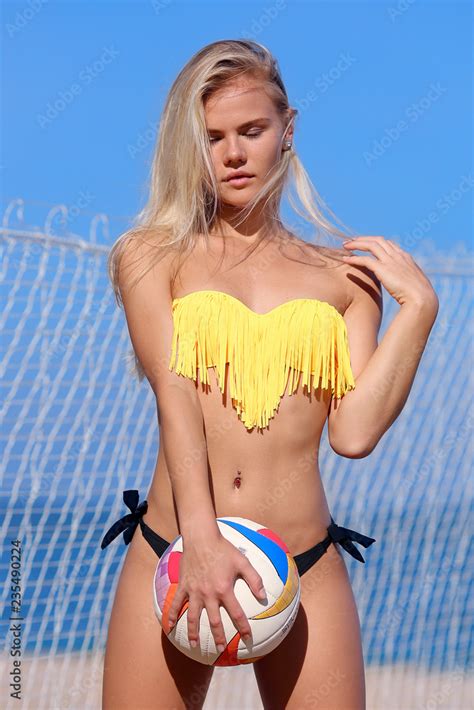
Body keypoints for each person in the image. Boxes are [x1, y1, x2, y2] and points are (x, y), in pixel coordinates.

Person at [100, 39, 439, 709]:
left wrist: (421, 310)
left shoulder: (346, 279)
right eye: (212, 137)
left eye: (251, 130)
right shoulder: (149, 256)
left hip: (303, 568)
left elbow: (355, 433)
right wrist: (198, 540)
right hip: (173, 552)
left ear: (288, 129)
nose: (232, 153)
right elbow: (176, 397)